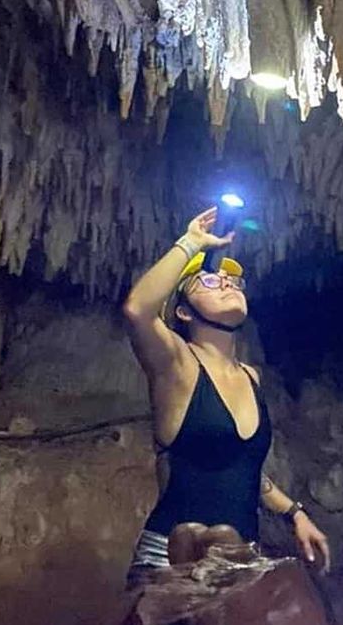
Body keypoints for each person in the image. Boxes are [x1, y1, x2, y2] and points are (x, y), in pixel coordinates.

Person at [122, 205, 330, 582]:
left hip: (239, 561)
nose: (228, 284)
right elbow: (138, 310)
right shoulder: (178, 367)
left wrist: (295, 513)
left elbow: (246, 470)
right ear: (184, 313)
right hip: (169, 560)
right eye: (210, 282)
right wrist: (191, 243)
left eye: (232, 282)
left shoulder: (251, 376)